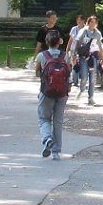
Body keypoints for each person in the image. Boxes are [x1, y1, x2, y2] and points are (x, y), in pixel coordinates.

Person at [34, 27, 71, 159]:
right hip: (62, 92)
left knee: (44, 118)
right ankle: (56, 152)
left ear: (47, 41)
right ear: (59, 41)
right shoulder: (65, 56)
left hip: (47, 91)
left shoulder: (41, 56)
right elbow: (69, 73)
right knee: (58, 121)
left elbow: (37, 72)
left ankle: (47, 139)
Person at [76, 14, 103, 105]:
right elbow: (78, 43)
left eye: (95, 22)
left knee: (92, 78)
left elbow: (100, 47)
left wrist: (102, 59)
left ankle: (91, 97)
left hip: (93, 57)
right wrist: (75, 54)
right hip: (84, 56)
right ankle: (82, 89)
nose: (93, 23)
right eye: (91, 22)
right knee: (84, 76)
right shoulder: (84, 31)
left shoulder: (97, 33)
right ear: (88, 22)